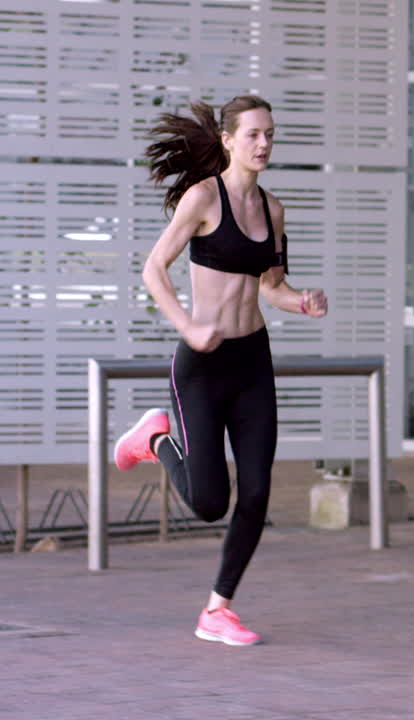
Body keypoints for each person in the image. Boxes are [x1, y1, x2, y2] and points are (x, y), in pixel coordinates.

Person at [111, 95, 328, 646]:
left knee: (256, 492)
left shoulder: (273, 210)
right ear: (229, 140)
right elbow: (154, 268)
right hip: (202, 365)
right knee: (210, 502)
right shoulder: (203, 198)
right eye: (254, 134)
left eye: (270, 135)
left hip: (252, 360)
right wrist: (186, 326)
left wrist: (301, 301)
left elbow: (271, 286)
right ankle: (156, 437)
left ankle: (217, 609)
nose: (264, 144)